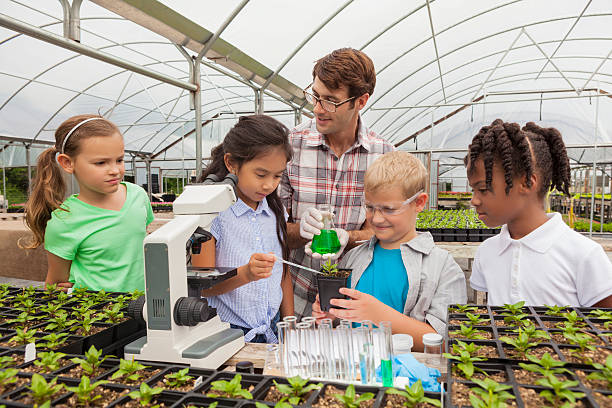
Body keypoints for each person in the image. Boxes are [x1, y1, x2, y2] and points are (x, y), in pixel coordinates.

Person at [280, 48, 394, 319]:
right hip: (293, 298)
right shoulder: (289, 147)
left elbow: (385, 233)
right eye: (316, 96)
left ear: (361, 101)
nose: (318, 108)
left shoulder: (383, 155)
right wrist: (302, 230)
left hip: (357, 299)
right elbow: (271, 229)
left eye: (331, 101)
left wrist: (350, 238)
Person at [312, 151, 466, 351]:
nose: (376, 218)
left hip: (408, 378)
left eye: (389, 209)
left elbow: (446, 343)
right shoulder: (352, 258)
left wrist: (380, 315)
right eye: (369, 207)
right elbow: (339, 318)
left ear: (419, 202)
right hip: (355, 374)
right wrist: (330, 316)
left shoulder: (442, 267)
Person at [466, 119, 612, 307]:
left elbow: (605, 328)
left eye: (483, 189)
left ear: (527, 183)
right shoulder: (487, 252)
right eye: (473, 190)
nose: (474, 200)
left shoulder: (583, 255)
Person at [191, 115, 294, 343]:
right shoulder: (212, 214)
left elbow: (283, 273)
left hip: (273, 329)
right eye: (260, 174)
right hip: (228, 333)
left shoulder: (276, 212)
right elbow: (203, 286)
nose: (269, 185)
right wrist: (245, 273)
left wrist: (290, 325)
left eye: (277, 176)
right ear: (231, 164)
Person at [22, 114, 154, 292]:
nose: (115, 170)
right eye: (101, 163)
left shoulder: (138, 196)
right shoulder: (64, 221)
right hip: (98, 314)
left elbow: (139, 240)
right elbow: (55, 285)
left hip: (144, 308)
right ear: (67, 163)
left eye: (119, 160)